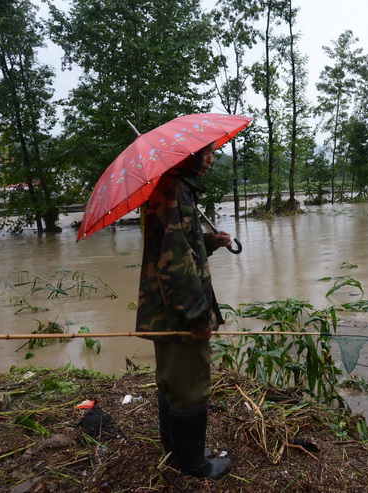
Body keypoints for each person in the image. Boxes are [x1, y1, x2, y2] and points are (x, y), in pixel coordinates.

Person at [135, 142, 232, 479]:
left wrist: (209, 242)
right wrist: (197, 317)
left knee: (171, 382)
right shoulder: (176, 192)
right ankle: (193, 464)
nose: (211, 160)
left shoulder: (169, 189)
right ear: (188, 156)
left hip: (163, 312)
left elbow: (177, 245)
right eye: (207, 153)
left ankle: (175, 450)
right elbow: (175, 264)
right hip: (180, 315)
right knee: (190, 386)